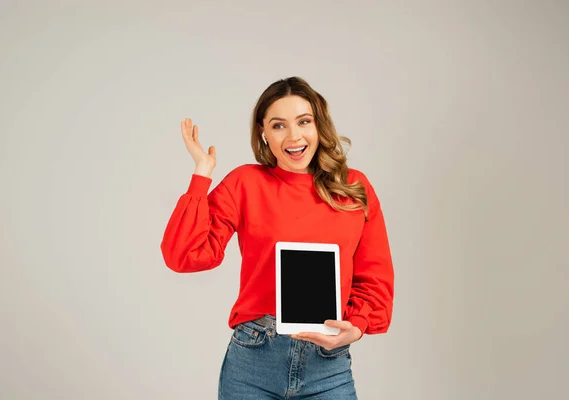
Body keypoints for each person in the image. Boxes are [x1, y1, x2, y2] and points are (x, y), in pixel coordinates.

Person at [160, 77, 394, 399]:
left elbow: (375, 275)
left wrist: (356, 325)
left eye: (304, 122)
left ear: (318, 125)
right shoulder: (246, 183)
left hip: (327, 368)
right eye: (279, 125)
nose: (294, 136)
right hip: (254, 362)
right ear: (264, 133)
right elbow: (184, 255)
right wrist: (202, 172)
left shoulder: (353, 188)